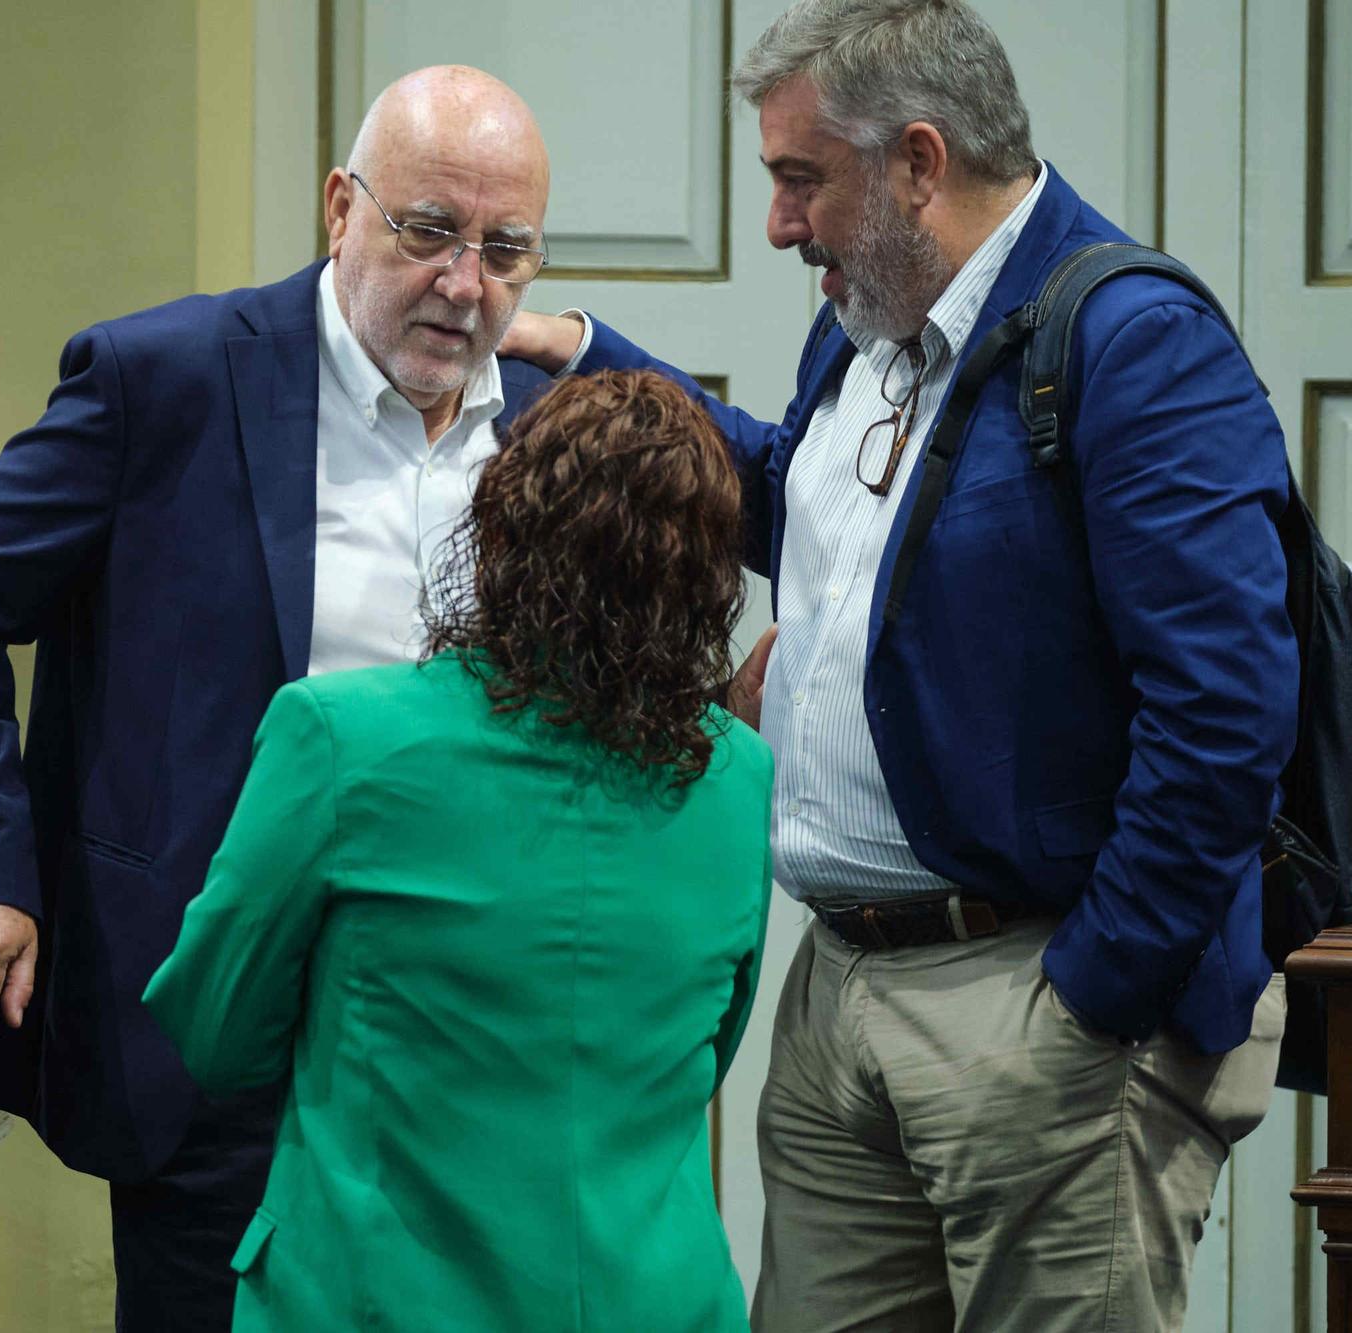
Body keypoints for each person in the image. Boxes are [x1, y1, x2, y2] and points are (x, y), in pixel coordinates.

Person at [502, 2, 1295, 1328]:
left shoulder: (1135, 342)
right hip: (842, 992)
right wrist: (591, 358)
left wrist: (1094, 989)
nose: (777, 225)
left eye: (801, 180)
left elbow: (1225, 710)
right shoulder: (866, 321)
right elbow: (789, 494)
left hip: (1039, 1003)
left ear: (921, 163)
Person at [0, 65, 567, 1329]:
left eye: (503, 249)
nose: (464, 285)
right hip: (216, 1015)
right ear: (338, 207)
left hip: (468, 1033)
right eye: (426, 233)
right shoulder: (169, 379)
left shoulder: (557, 427)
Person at [140, 368, 773, 1332]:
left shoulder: (338, 736)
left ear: (500, 530)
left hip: (376, 1298)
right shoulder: (737, 776)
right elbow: (708, 1050)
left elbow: (217, 1031)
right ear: (706, 578)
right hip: (658, 1300)